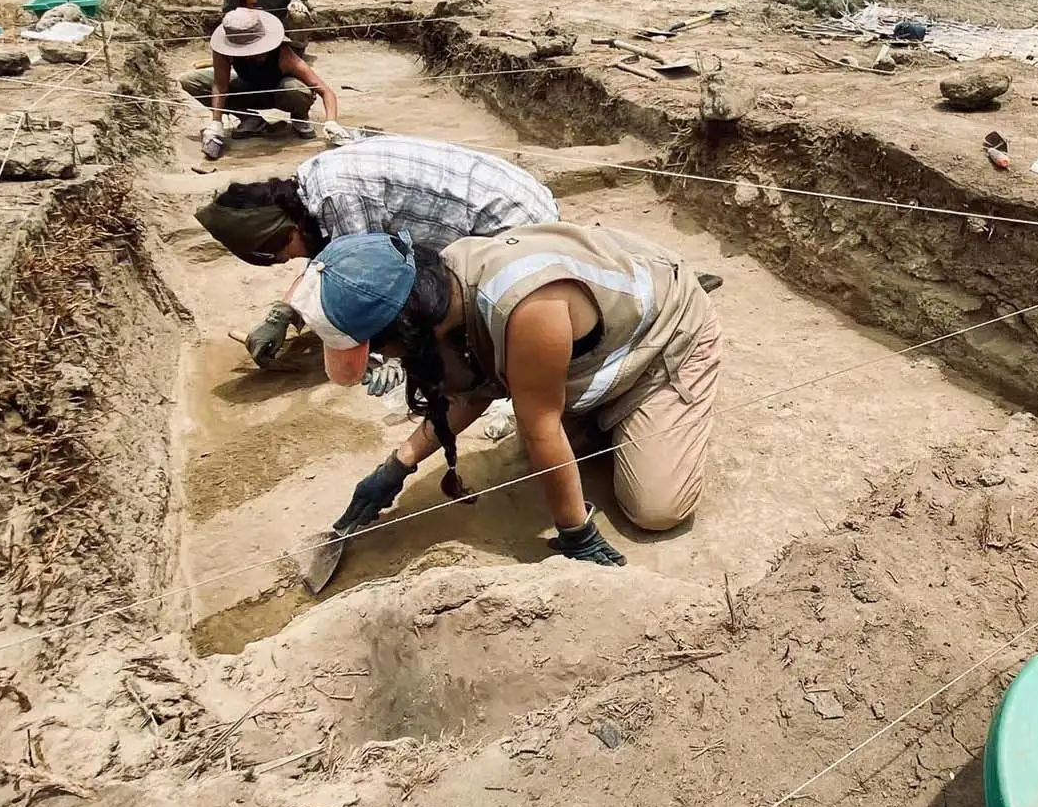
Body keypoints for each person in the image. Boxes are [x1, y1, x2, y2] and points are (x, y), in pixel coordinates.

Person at [291, 222, 723, 563]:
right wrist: (397, 466)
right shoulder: (439, 288)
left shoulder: (524, 307)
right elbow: (470, 390)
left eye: (379, 348)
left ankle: (645, 404)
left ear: (404, 326)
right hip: (590, 346)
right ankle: (598, 414)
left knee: (655, 509)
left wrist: (577, 533)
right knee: (546, 452)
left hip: (662, 338)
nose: (384, 357)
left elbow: (540, 429)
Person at [193, 135, 560, 367]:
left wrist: (382, 357)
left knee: (467, 328)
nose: (294, 260)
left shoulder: (339, 197)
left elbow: (360, 281)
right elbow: (328, 262)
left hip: (512, 224)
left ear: (286, 230)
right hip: (502, 194)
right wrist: (283, 315)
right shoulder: (308, 184)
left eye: (285, 254)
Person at [178, 9, 348, 158]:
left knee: (297, 89)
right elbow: (220, 85)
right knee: (191, 80)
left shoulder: (283, 55)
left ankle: (299, 116)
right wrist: (216, 122)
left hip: (280, 93)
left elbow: (325, 91)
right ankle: (250, 119)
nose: (251, 55)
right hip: (247, 89)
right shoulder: (224, 52)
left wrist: (331, 122)